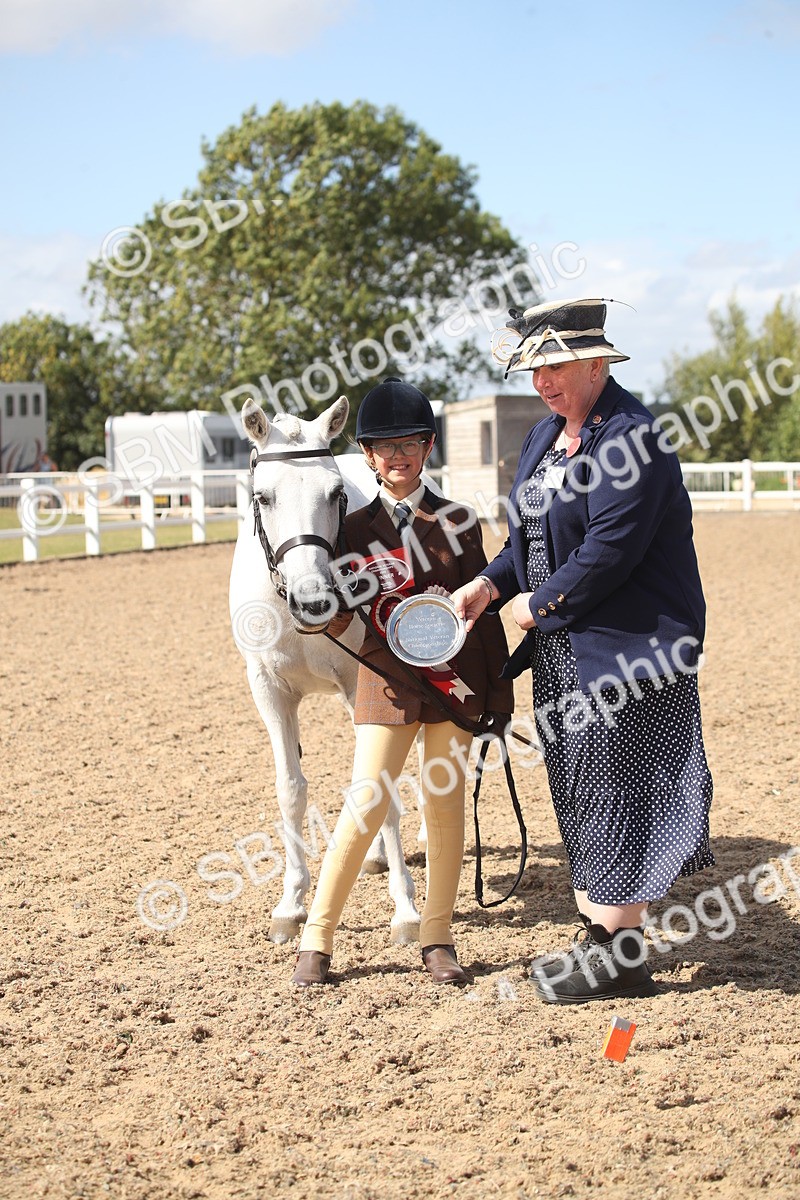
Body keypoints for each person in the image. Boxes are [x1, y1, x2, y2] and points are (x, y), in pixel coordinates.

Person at [451, 298, 714, 1004]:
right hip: (566, 651)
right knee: (580, 789)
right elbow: (530, 538)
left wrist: (533, 607)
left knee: (622, 793)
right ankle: (601, 938)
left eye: (556, 367)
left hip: (630, 652)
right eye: (534, 370)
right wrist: (488, 585)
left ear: (596, 363)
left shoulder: (634, 438)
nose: (542, 381)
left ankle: (619, 955)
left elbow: (607, 553)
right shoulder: (545, 437)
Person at [292, 377, 514, 987]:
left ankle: (437, 936)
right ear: (367, 454)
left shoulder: (459, 521)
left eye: (409, 443)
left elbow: (485, 611)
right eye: (385, 446)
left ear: (428, 447)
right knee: (366, 801)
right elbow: (340, 613)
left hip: (455, 685)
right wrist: (321, 608)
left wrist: (497, 695)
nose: (397, 456)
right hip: (385, 680)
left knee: (444, 807)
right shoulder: (350, 529)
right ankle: (317, 937)